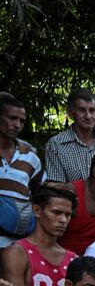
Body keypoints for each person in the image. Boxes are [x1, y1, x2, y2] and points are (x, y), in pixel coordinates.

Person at [4, 186, 76, 286]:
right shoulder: (18, 253)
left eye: (68, 214)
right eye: (56, 212)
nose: (63, 220)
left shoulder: (73, 259)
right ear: (37, 210)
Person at [44, 89, 95, 186]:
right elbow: (56, 188)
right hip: (72, 200)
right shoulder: (56, 145)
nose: (88, 116)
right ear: (70, 113)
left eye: (92, 110)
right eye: (82, 110)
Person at [0, 93, 41, 241]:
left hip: (18, 242)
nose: (17, 124)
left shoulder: (30, 156)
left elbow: (40, 192)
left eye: (21, 121)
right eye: (12, 118)